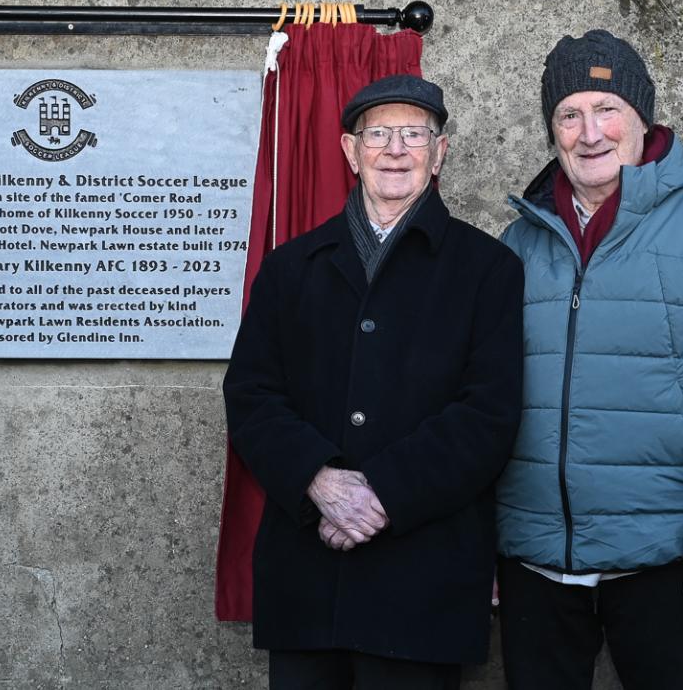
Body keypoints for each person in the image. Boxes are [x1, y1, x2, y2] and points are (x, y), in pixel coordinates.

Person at [223, 74, 524, 689]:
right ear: (348, 150)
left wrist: (378, 494)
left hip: (424, 583)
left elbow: (487, 415)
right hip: (307, 579)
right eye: (378, 134)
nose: (395, 150)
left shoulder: (489, 269)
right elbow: (251, 395)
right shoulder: (290, 269)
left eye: (414, 134)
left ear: (439, 153)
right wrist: (320, 481)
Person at [497, 29, 683, 690]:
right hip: (533, 566)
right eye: (569, 113)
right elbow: (483, 402)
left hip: (667, 565)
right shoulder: (517, 244)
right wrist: (483, 545)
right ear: (551, 129)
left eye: (607, 109)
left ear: (644, 120)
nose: (591, 132)